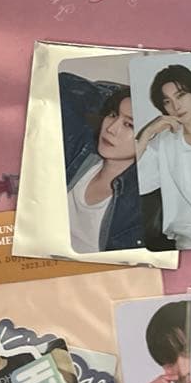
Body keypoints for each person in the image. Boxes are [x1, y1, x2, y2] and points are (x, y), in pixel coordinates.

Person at [60, 71, 149, 253]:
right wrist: (119, 95)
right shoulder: (81, 154)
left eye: (129, 124)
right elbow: (63, 83)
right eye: (113, 114)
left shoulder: (140, 205)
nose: (111, 128)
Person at [135, 64, 191, 248]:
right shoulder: (164, 142)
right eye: (167, 102)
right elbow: (135, 182)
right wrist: (147, 133)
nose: (176, 106)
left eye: (180, 95)